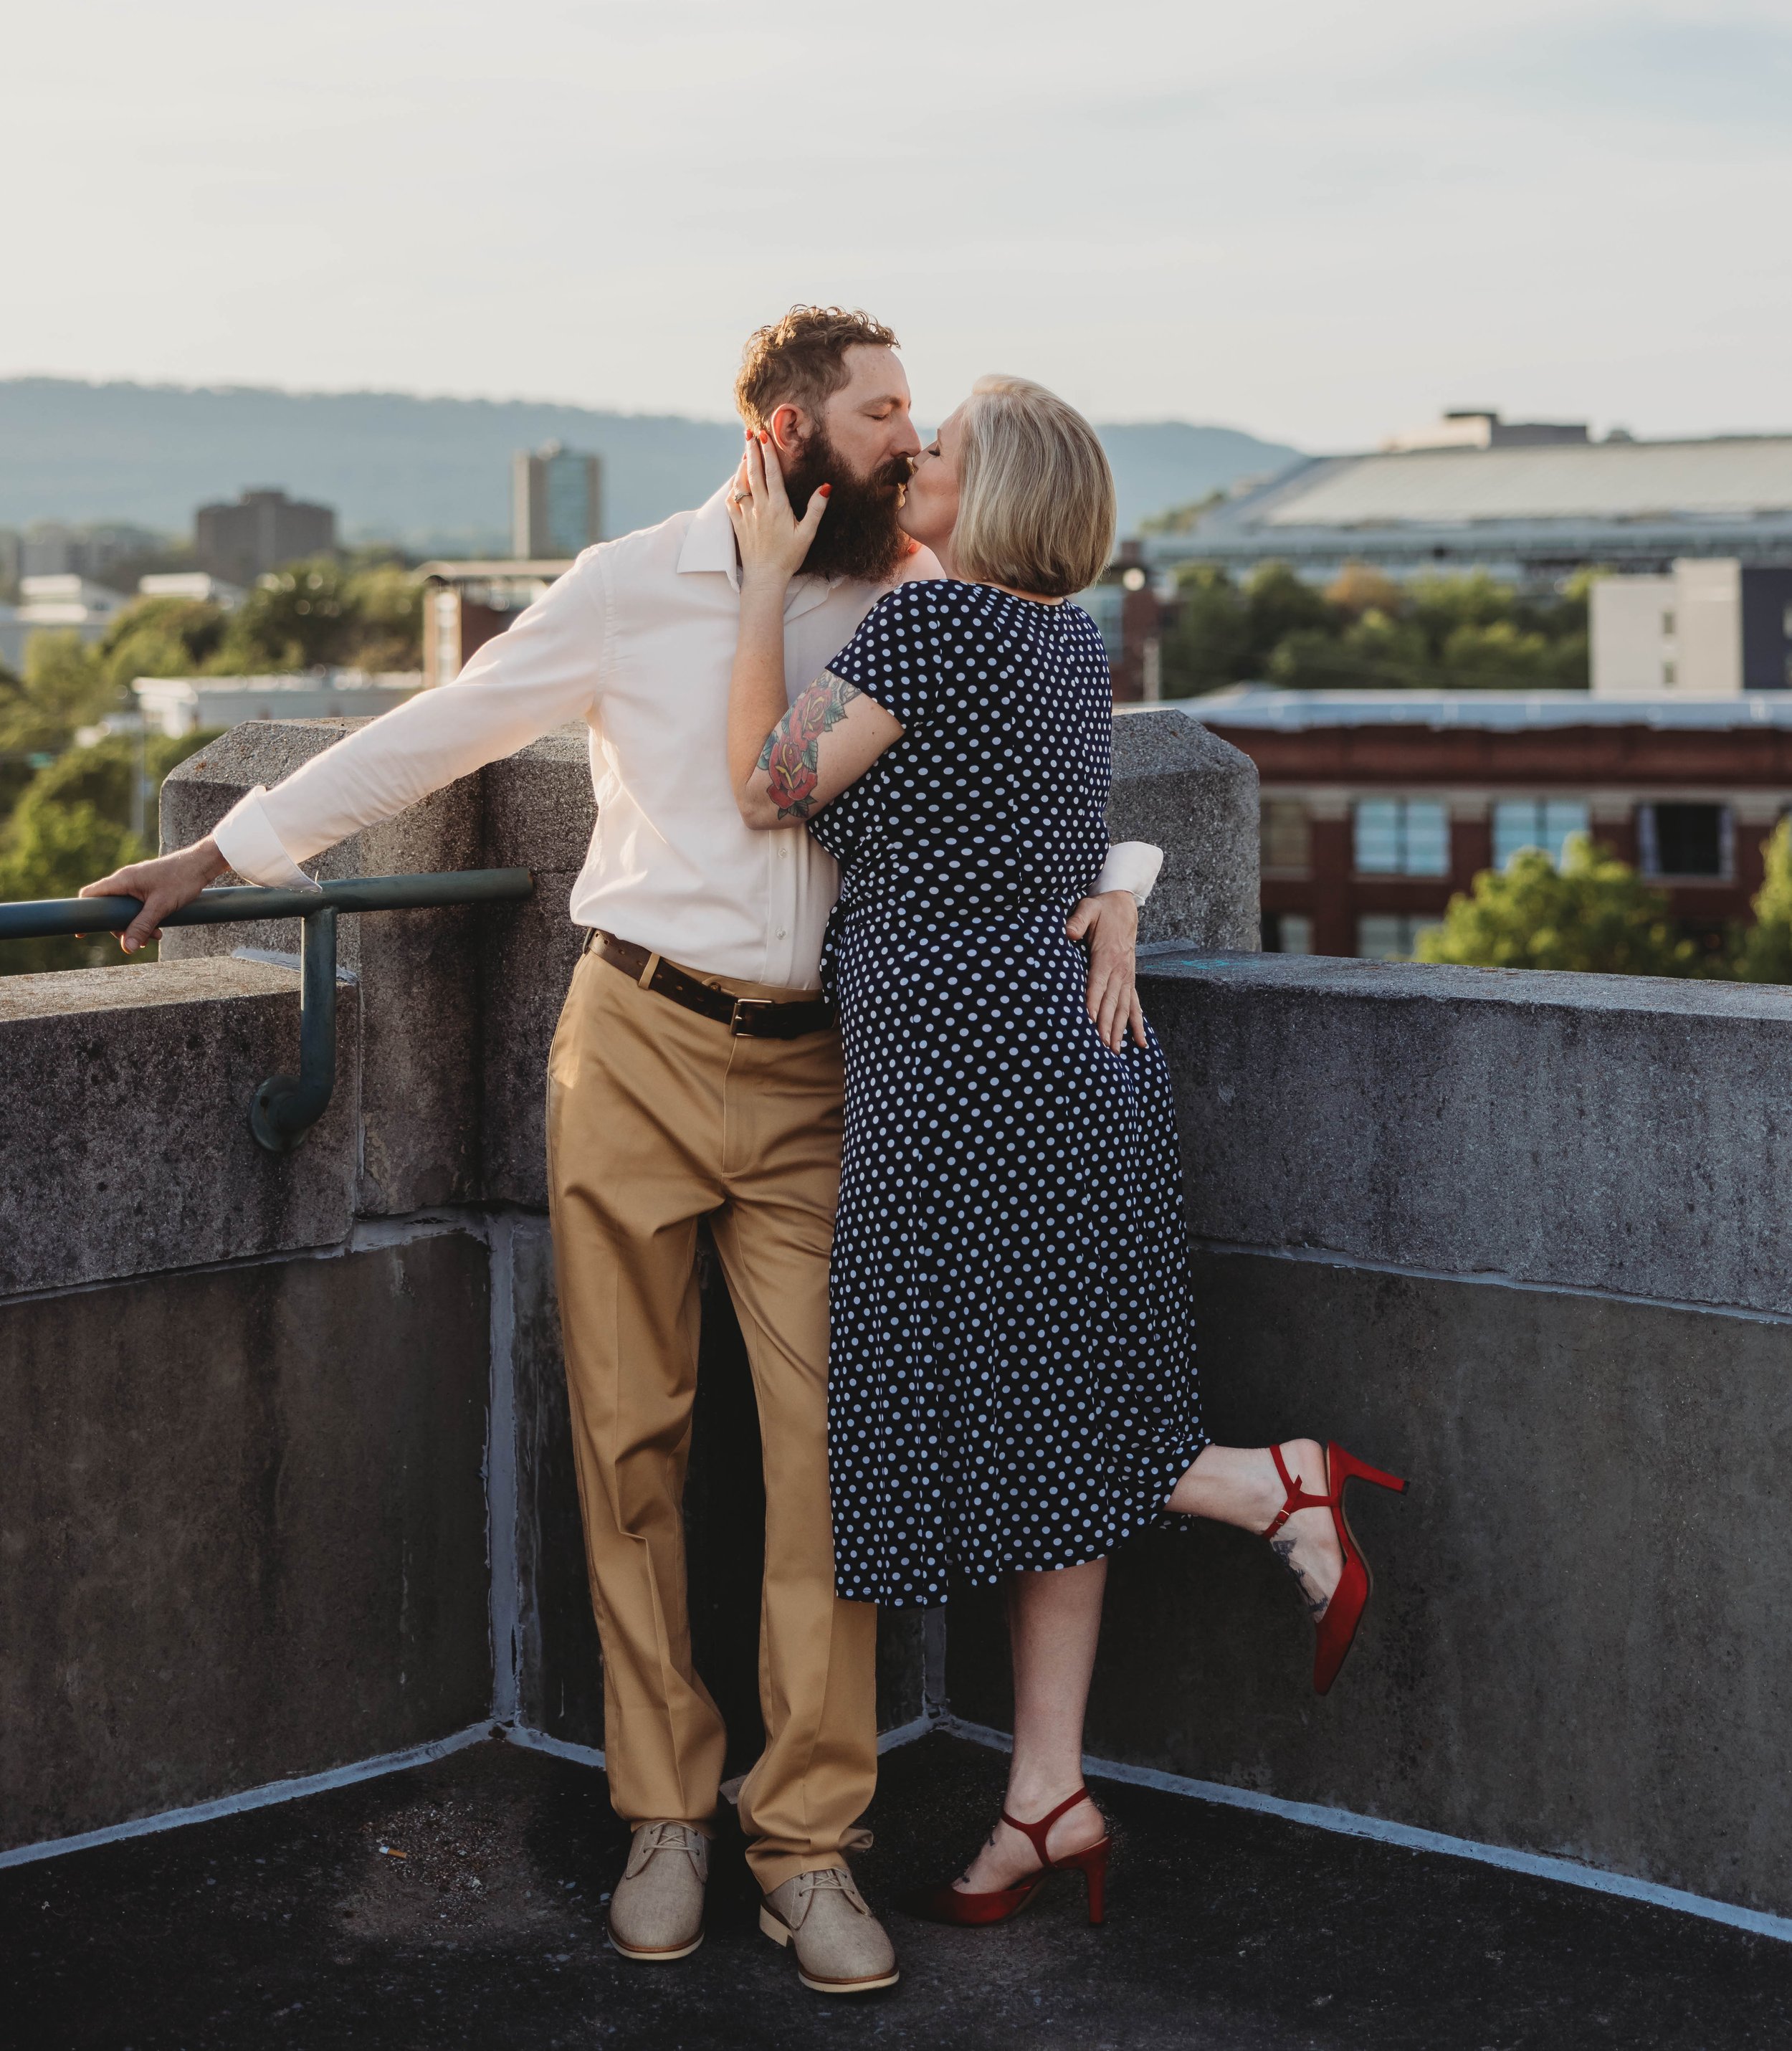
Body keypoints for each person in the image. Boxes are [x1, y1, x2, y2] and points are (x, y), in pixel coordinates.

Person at [82, 310, 1161, 1997]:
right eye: (881, 414)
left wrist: (1120, 885)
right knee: (627, 1439)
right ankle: (664, 1813)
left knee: (830, 1459)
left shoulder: (930, 597)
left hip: (828, 1078)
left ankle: (807, 1841)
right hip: (637, 1038)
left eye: (917, 419)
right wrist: (223, 848)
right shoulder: (629, 580)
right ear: (784, 427)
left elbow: (1034, 758)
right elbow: (443, 727)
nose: (907, 440)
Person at [725, 376, 1406, 1930]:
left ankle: (1263, 1484)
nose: (918, 459)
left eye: (943, 448)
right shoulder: (1058, 637)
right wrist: (1124, 882)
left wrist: (766, 584)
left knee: (1030, 1410)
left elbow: (770, 781)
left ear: (998, 485)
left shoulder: (927, 629)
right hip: (1062, 1047)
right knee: (1061, 1406)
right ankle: (1045, 1788)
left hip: (970, 1068)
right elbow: (1019, 810)